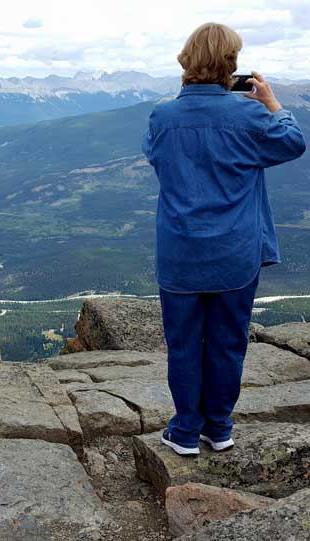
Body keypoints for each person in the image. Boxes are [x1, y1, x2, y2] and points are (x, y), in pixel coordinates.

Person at [141, 22, 306, 456]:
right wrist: (272, 103)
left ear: (186, 61)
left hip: (180, 252)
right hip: (235, 251)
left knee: (183, 344)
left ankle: (183, 432)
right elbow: (293, 143)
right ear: (231, 65)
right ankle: (219, 427)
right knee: (228, 342)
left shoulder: (163, 116)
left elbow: (154, 155)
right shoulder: (250, 115)